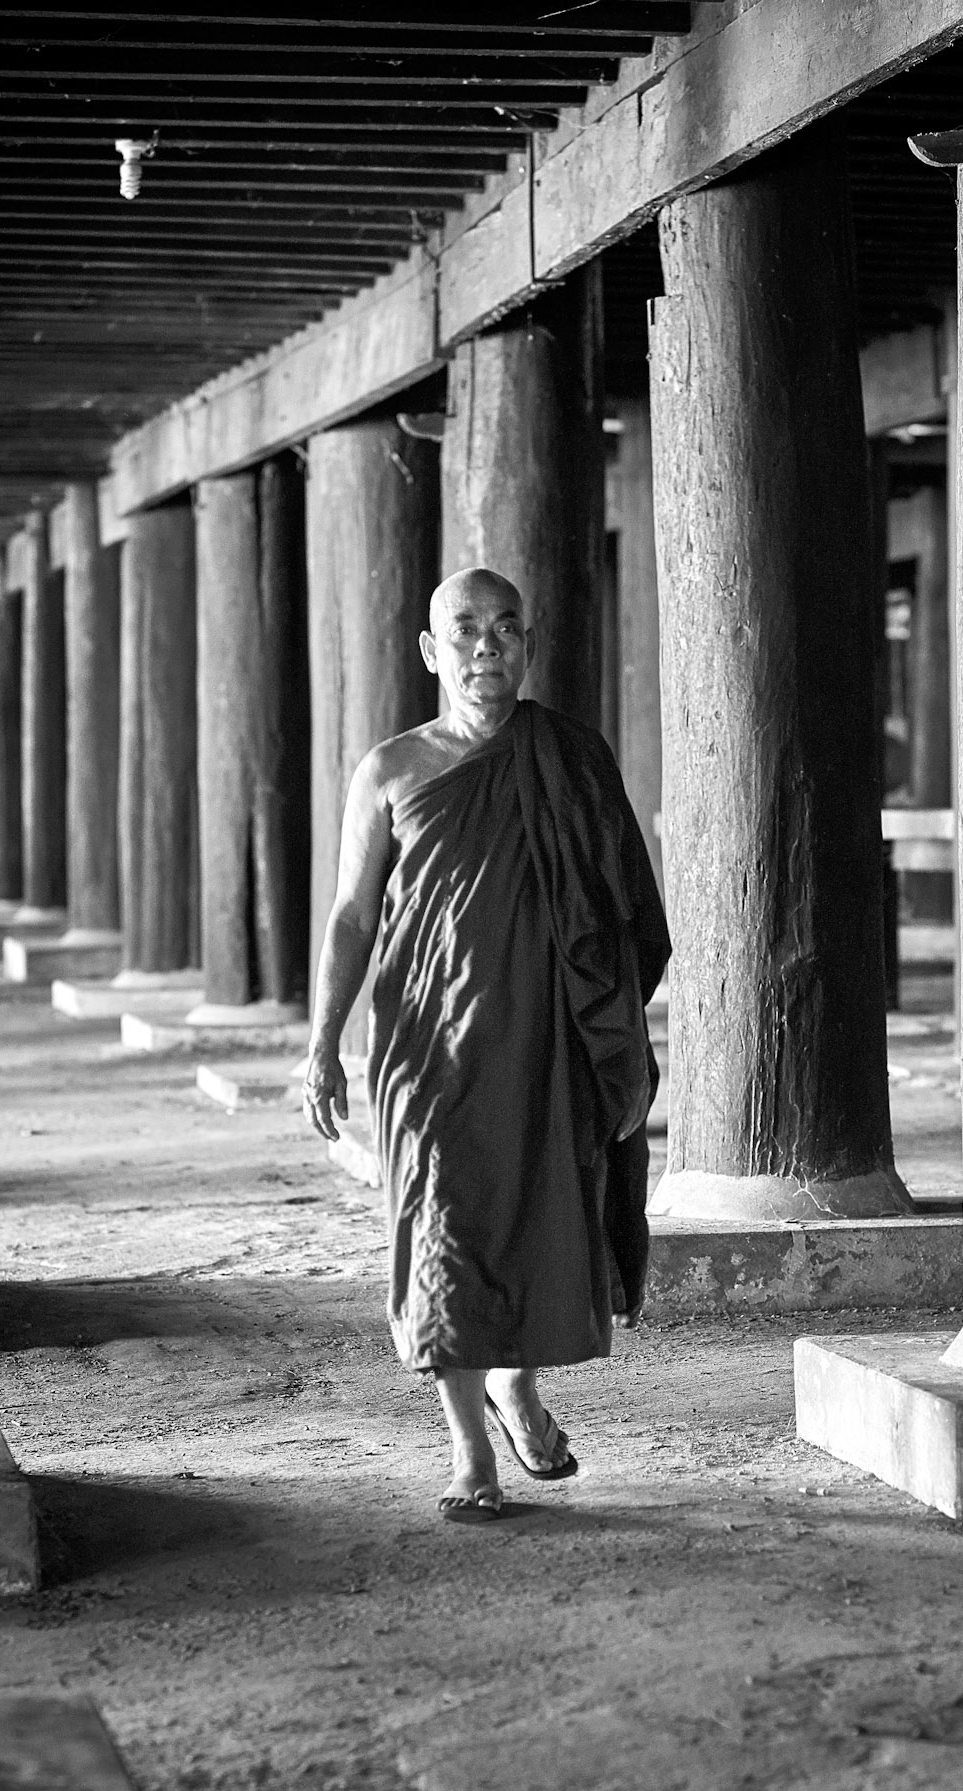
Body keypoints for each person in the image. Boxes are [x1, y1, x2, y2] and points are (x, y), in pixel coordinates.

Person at [303, 567, 669, 1524]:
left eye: (506, 628)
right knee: (440, 1231)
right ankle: (471, 1450)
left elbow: (624, 910)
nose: (485, 647)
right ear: (431, 652)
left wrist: (619, 1042)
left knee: (543, 1217)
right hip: (425, 1043)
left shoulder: (572, 760)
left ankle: (518, 1384)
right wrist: (321, 1040)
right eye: (464, 630)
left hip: (544, 1035)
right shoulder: (389, 770)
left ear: (528, 647)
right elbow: (351, 915)